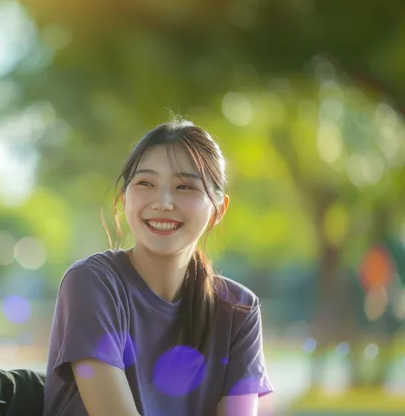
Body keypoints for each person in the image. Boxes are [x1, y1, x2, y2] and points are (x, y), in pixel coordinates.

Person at [42, 120, 273, 416]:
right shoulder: (92, 283)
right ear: (125, 197)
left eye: (184, 186)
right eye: (146, 183)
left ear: (219, 209)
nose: (163, 202)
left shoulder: (239, 309)